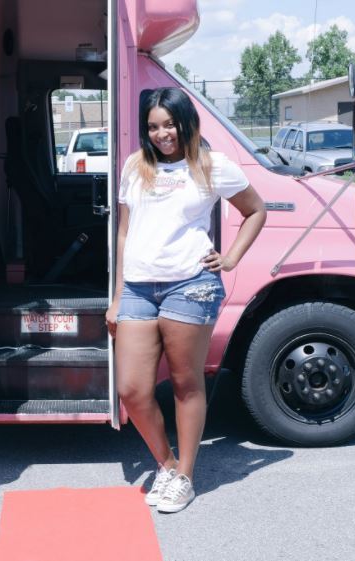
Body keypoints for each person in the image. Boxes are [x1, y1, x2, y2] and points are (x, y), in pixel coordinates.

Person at [105, 87, 266, 513]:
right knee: (132, 390)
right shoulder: (135, 165)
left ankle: (185, 477)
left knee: (185, 382)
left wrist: (229, 258)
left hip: (191, 285)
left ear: (186, 122)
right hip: (138, 289)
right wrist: (117, 295)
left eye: (169, 124)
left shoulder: (212, 165)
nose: (161, 134)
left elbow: (256, 210)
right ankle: (166, 464)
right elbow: (123, 232)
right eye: (153, 126)